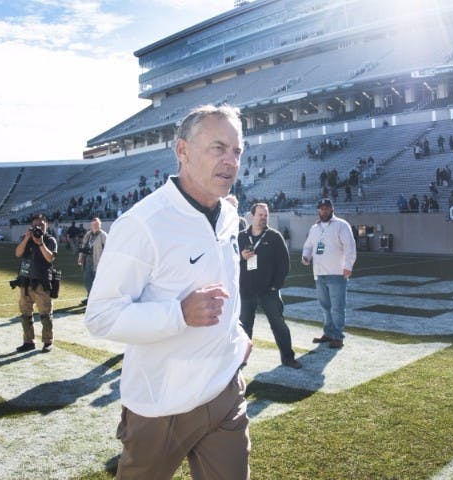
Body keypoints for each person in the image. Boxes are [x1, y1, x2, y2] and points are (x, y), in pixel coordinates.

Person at [83, 105, 252, 479]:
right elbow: (100, 315)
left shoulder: (227, 215)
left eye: (237, 151)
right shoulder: (141, 224)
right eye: (219, 148)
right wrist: (178, 314)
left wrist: (235, 334)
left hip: (224, 390)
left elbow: (223, 283)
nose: (231, 161)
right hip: (161, 404)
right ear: (182, 151)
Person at [239, 202, 301, 369]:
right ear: (252, 216)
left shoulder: (274, 236)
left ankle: (288, 357)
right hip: (246, 291)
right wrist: (241, 257)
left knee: (279, 325)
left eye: (266, 215)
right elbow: (230, 261)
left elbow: (284, 264)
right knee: (244, 327)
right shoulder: (241, 237)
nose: (263, 218)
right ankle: (240, 360)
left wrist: (276, 285)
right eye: (260, 215)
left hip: (268, 291)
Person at [301, 198, 357, 349]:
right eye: (321, 209)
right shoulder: (315, 228)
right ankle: (328, 333)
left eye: (326, 208)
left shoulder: (341, 225)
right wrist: (306, 257)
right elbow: (308, 246)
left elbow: (350, 247)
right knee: (325, 306)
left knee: (337, 307)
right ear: (318, 210)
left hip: (337, 273)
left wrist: (348, 266)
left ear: (332, 208)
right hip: (319, 273)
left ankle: (338, 337)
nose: (323, 211)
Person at [14, 213, 58, 353]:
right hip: (25, 282)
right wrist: (27, 238)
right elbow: (18, 253)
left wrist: (40, 242)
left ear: (47, 225)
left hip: (42, 282)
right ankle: (28, 342)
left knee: (45, 314)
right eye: (35, 225)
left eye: (41, 224)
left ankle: (47, 342)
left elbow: (50, 258)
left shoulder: (50, 240)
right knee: (25, 314)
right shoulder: (27, 239)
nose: (38, 227)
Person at [77, 217, 107, 306]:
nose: (95, 226)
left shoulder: (103, 235)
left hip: (98, 261)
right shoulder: (88, 234)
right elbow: (83, 246)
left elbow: (108, 249)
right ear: (91, 225)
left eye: (97, 224)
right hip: (88, 259)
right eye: (93, 224)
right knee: (87, 279)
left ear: (100, 225)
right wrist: (80, 258)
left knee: (96, 281)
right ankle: (90, 297)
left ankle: (95, 299)